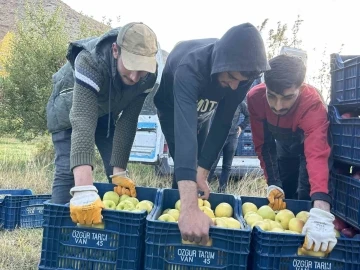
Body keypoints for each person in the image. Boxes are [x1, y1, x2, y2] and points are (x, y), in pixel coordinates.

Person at [153, 22, 269, 245]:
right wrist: (189, 208)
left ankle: (189, 205)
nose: (235, 87)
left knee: (198, 165)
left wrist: (203, 172)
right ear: (220, 64)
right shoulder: (190, 68)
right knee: (183, 161)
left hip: (203, 111)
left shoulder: (240, 75)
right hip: (172, 110)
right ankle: (180, 217)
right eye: (232, 78)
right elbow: (185, 134)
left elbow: (223, 123)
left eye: (241, 81)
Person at [46, 22, 158, 225]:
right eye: (130, 67)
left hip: (104, 112)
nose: (134, 77)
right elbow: (83, 120)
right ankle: (59, 234)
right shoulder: (90, 60)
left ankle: (111, 229)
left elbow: (128, 121)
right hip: (69, 107)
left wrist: (119, 172)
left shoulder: (147, 77)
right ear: (116, 50)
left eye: (141, 71)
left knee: (114, 172)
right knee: (66, 169)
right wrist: (83, 189)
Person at [247, 54, 337, 254]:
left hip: (307, 146)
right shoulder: (255, 98)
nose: (278, 106)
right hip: (284, 146)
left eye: (287, 97)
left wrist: (321, 208)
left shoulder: (312, 105)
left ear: (301, 88)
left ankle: (306, 248)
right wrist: (272, 181)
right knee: (283, 194)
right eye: (272, 96)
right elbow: (263, 144)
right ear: (265, 86)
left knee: (306, 195)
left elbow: (317, 155)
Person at [207, 101, 250, 193]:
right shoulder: (217, 98)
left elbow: (249, 115)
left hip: (232, 137)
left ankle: (222, 191)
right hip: (217, 137)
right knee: (211, 164)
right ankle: (203, 189)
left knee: (227, 166)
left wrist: (241, 127)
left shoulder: (239, 102)